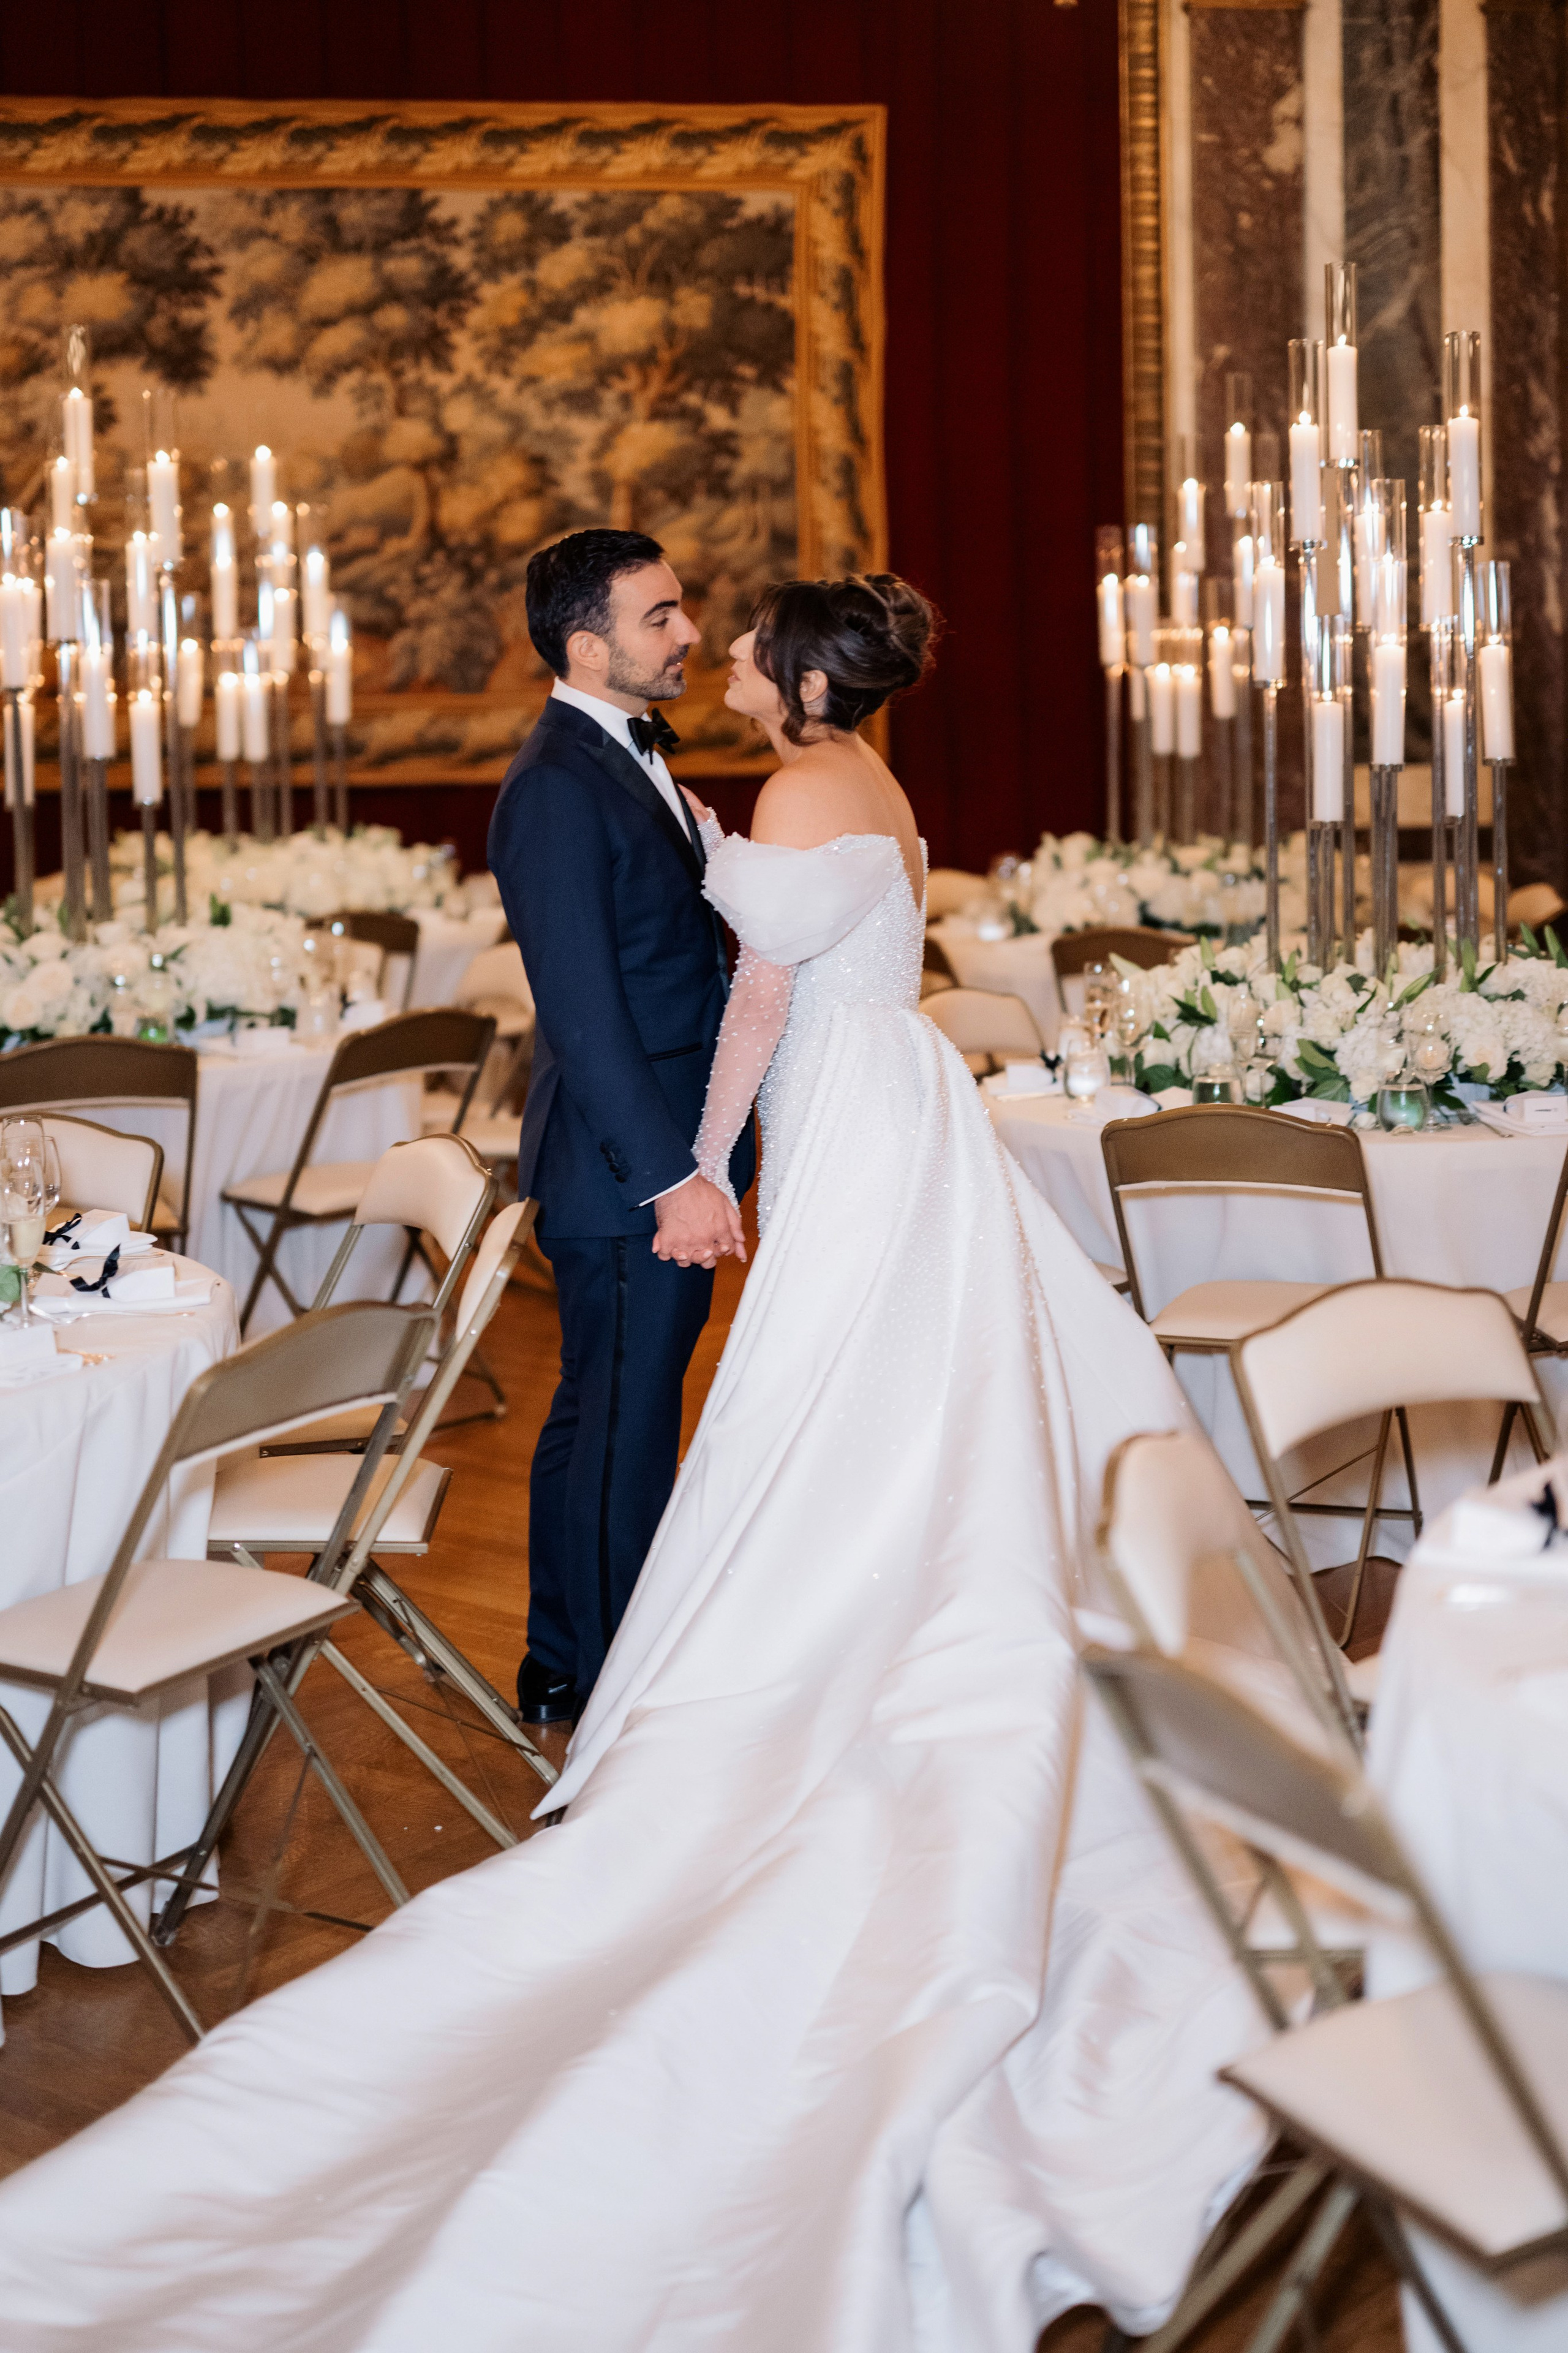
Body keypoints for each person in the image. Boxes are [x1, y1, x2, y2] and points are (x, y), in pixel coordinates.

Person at [0, 574, 1266, 2352]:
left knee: (820, 1398)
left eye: (741, 636)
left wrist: (713, 1162)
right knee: (876, 1392)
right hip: (886, 1099)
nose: (718, 648)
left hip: (825, 1104)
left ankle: (781, 1649)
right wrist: (702, 1166)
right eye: (686, 619)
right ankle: (808, 1621)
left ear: (803, 675)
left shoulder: (786, 792)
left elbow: (750, 1002)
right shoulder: (850, 789)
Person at [488, 529, 757, 1728]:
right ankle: (610, 1688)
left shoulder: (616, 760)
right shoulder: (554, 784)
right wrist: (671, 1178)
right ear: (587, 645)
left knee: (596, 1412)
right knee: (624, 1424)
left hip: (642, 1155)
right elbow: (582, 1012)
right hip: (626, 1169)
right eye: (661, 616)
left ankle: (562, 1654)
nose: (686, 632)